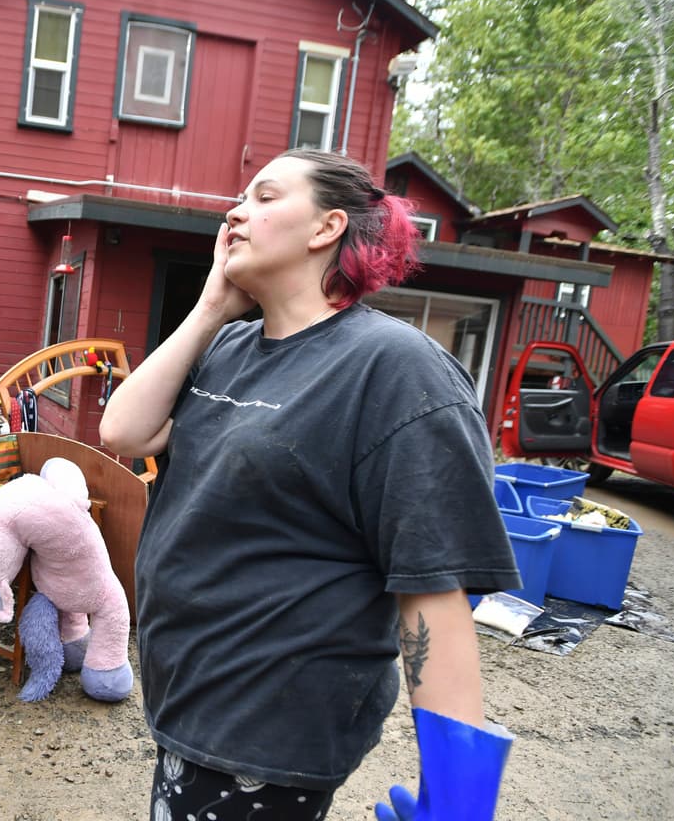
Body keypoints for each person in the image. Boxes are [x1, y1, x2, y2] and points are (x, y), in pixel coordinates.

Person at [99, 149, 520, 821]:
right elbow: (123, 433)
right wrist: (211, 304)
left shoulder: (394, 368)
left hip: (268, 723)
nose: (236, 211)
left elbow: (433, 587)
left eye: (265, 197)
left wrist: (460, 798)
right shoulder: (230, 349)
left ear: (326, 227)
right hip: (193, 700)